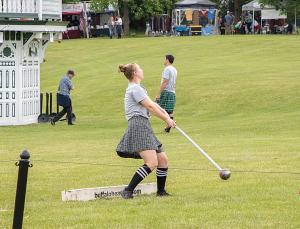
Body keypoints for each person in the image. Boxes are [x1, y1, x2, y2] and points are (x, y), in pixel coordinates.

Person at [116, 63, 176, 199]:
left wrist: (167, 115)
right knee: (152, 162)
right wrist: (166, 120)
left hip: (144, 124)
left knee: (163, 160)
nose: (142, 70)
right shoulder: (134, 89)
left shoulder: (139, 88)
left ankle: (161, 192)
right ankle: (128, 190)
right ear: (135, 73)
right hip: (138, 125)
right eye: (140, 69)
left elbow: (154, 104)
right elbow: (150, 107)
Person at [156, 55, 177, 133]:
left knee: (157, 108)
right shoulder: (174, 69)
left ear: (167, 60)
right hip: (172, 92)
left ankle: (170, 123)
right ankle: (168, 125)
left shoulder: (167, 69)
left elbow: (165, 81)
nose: (164, 61)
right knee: (169, 111)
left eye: (164, 59)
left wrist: (159, 93)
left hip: (166, 91)